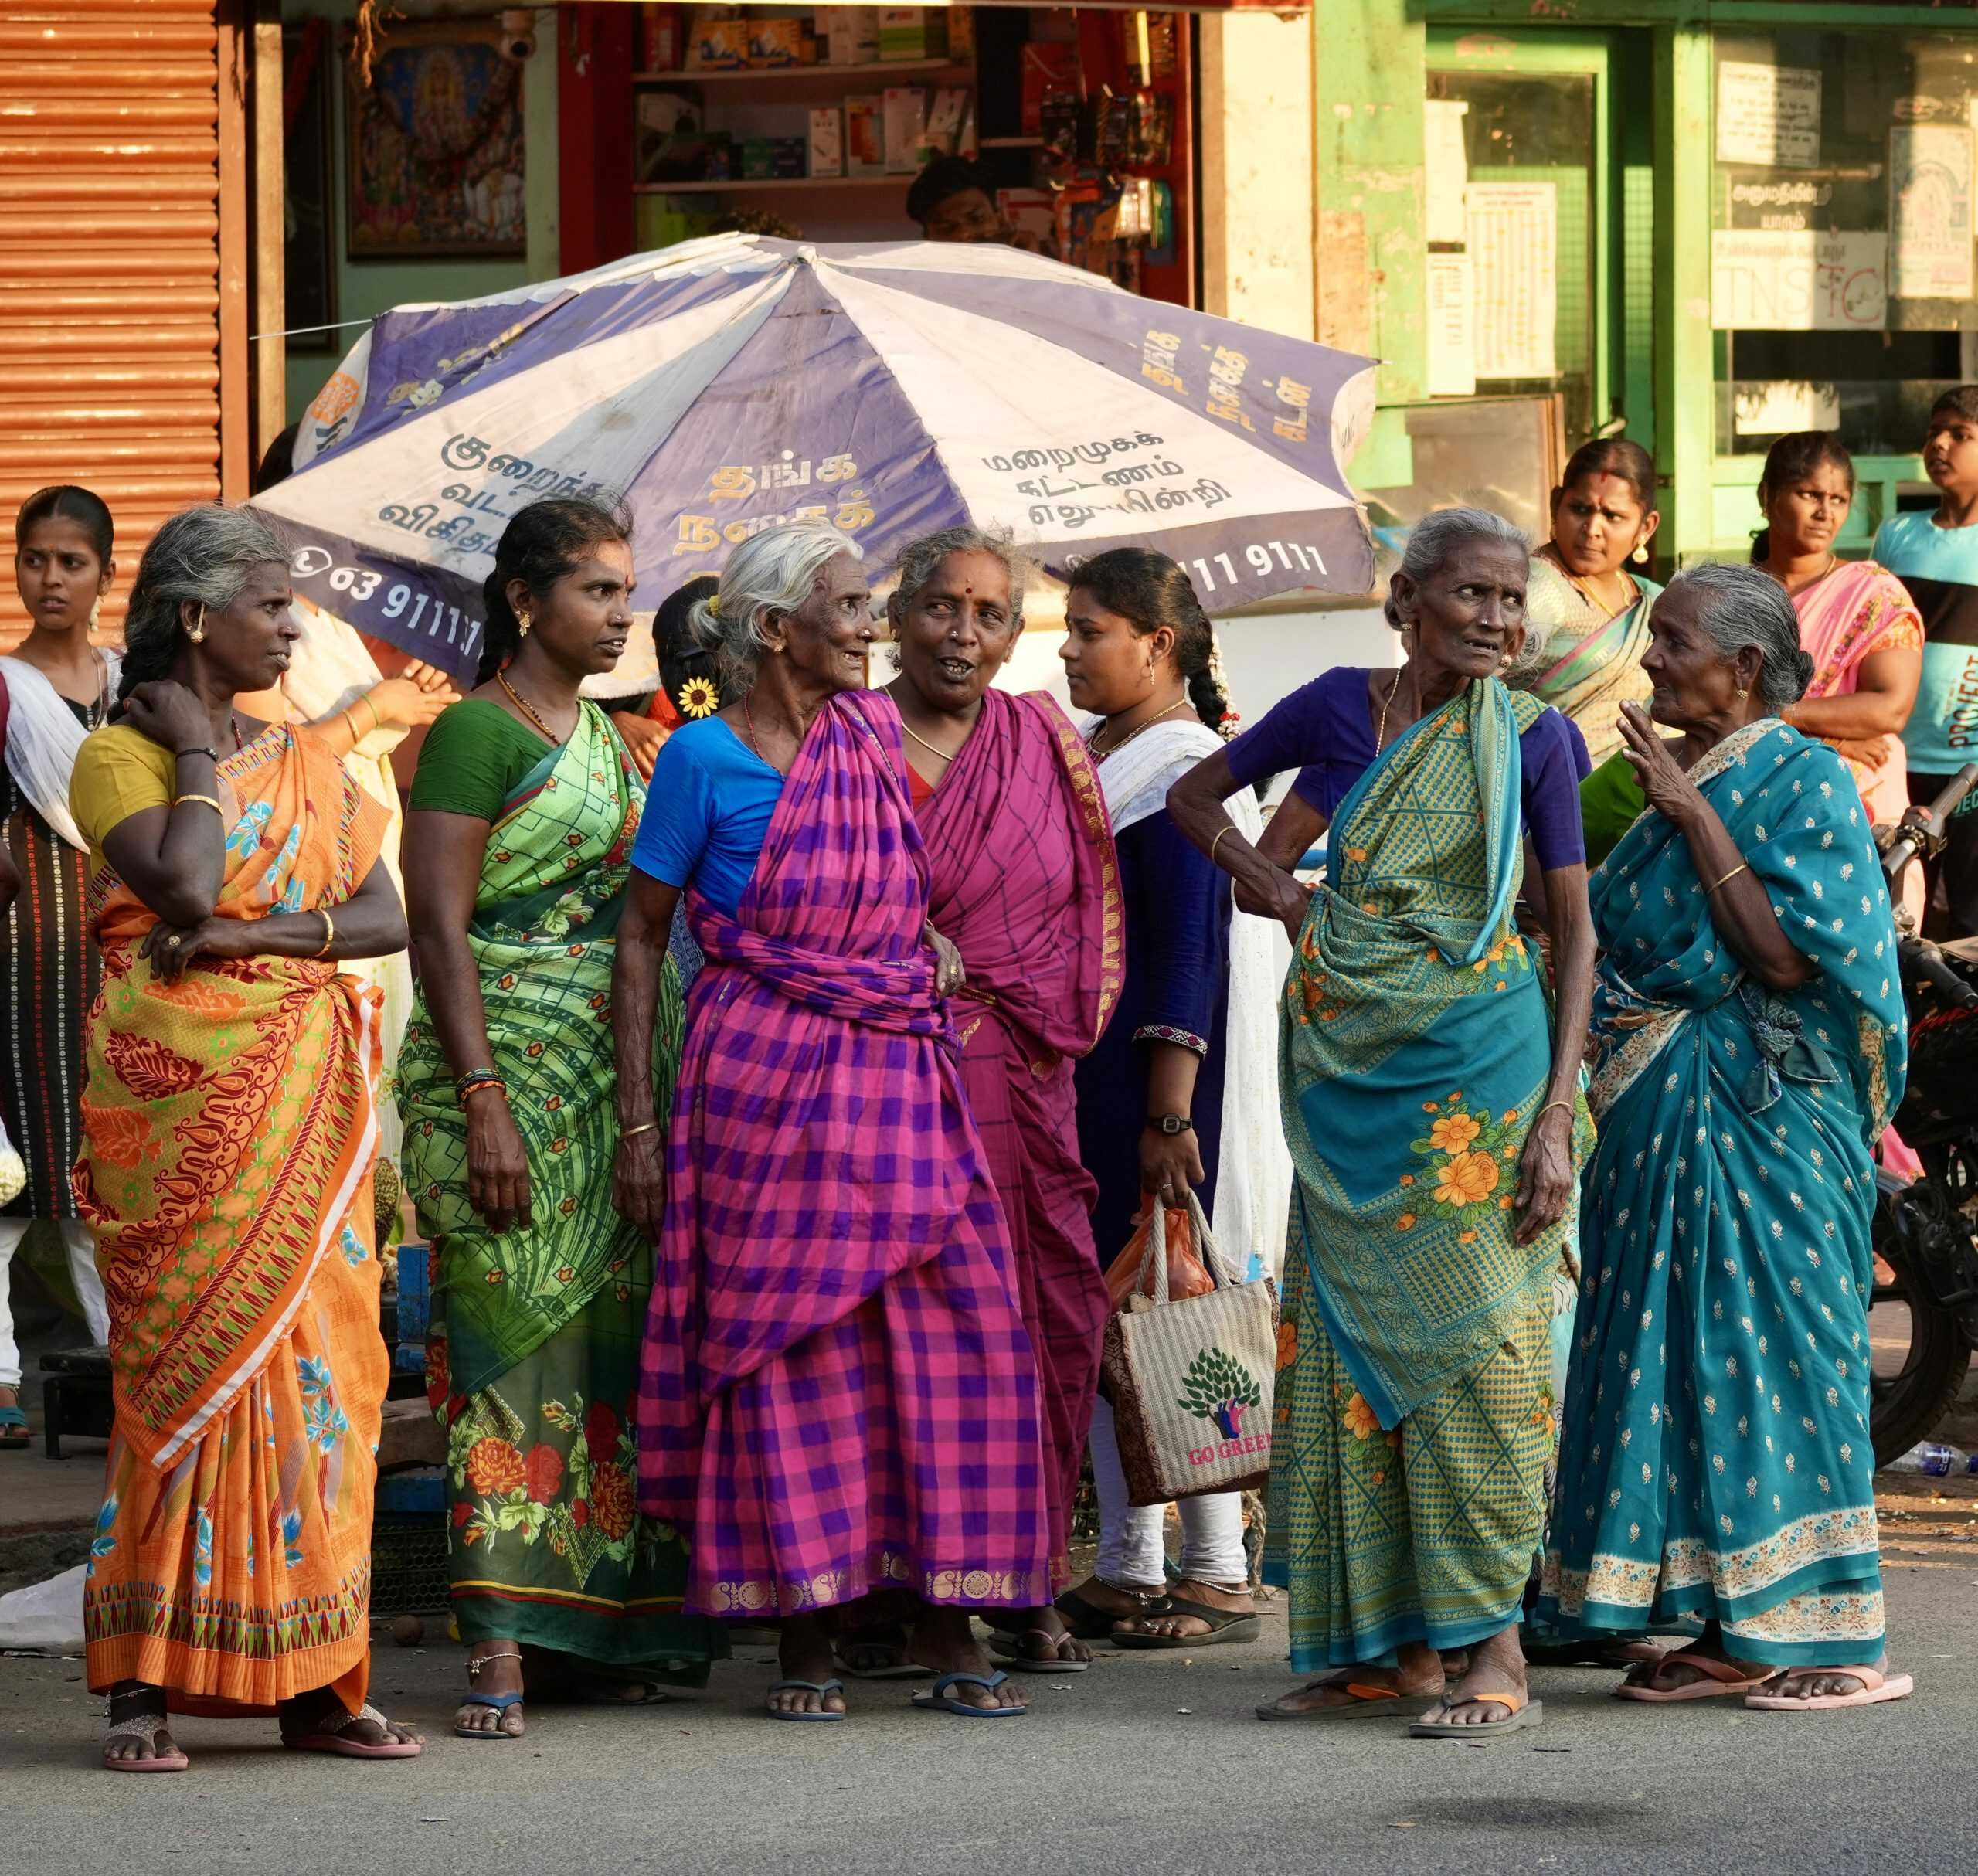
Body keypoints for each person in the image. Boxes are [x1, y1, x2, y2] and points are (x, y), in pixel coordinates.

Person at [1169, 507, 1596, 1737]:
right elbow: (1200, 799)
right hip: (1349, 1082)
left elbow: (1573, 935)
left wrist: (1559, 1114)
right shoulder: (1333, 711)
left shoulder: (1537, 740)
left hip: (1489, 1080)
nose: (1501, 622)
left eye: (1515, 601)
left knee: (1483, 1362)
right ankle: (1390, 1654)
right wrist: (1280, 895)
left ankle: (1494, 1649)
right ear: (1405, 598)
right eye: (1474, 596)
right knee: (1353, 1360)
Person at [615, 522, 1049, 1721]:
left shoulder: (868, 737)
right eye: (851, 607)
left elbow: (887, 887)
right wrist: (638, 1125)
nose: (873, 627)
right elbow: (645, 934)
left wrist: (918, 940)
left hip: (896, 1070)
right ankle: (802, 1635)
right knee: (789, 1350)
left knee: (940, 1332)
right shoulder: (700, 758)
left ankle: (947, 1613)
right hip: (760, 1079)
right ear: (774, 629)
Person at [69, 504, 420, 1769]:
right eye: (275, 604)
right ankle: (141, 1686)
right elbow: (183, 885)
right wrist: (200, 762)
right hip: (179, 1107)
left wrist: (260, 941)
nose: (295, 624)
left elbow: (378, 908)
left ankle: (319, 1680)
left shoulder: (310, 754)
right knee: (178, 1378)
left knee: (327, 1371)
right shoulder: (121, 753)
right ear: (200, 615)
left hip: (307, 1100)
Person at [1539, 563, 1913, 1714]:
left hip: (1768, 1116)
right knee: (1678, 1365)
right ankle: (1720, 1621)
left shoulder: (1799, 778)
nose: (1651, 661)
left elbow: (1794, 960)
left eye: (1675, 642)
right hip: (1658, 1119)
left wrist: (1697, 819)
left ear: (1745, 667)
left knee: (1774, 1358)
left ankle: (1832, 1633)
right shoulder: (1658, 777)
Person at [397, 497, 723, 1739]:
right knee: (500, 1343)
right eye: (596, 589)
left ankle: (602, 1629)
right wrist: (483, 1099)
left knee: (609, 1346)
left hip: (613, 1078)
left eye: (627, 590)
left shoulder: (615, 738)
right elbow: (439, 930)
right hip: (500, 1074)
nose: (621, 612)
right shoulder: (474, 736)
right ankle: (499, 1645)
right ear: (527, 599)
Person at [873, 525, 1119, 1675]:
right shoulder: (852, 736)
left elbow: (1082, 905)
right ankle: (908, 1585)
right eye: (941, 607)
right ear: (898, 614)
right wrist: (895, 938)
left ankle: (1023, 1578)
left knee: (1043, 1322)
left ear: (1016, 633)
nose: (962, 634)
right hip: (885, 1082)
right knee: (914, 1340)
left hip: (1024, 1075)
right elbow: (803, 891)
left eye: (988, 614)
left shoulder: (1042, 740)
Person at [1052, 545, 1287, 1653]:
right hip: (1102, 1071)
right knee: (1120, 1312)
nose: (1066, 648)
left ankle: (1216, 1568)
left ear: (1156, 643)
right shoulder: (1111, 756)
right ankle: (1128, 1563)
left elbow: (1190, 950)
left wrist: (1168, 1117)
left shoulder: (1189, 765)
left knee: (1188, 1311)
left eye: (1089, 629)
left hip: (1165, 1078)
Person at [0, 488, 119, 1447]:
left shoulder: (135, 685)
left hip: (126, 942)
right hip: (26, 950)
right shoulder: (5, 690)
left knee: (120, 1147)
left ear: (105, 575)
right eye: (34, 559)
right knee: (30, 1152)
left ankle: (137, 1355)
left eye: (70, 562)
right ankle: (15, 1373)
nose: (50, 578)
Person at [1873, 386, 1978, 935]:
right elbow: (1871, 633)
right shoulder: (1898, 535)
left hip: (1971, 767)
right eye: (1934, 431)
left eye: (1960, 435)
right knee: (1898, 909)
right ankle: (1910, 1023)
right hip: (1897, 759)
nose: (1939, 443)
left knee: (1969, 916)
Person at [1509, 437, 1663, 768]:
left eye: (1613, 516)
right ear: (1556, 505)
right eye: (1580, 509)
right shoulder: (1539, 587)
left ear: (1646, 527)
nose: (1592, 529)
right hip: (1553, 791)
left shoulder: (1650, 599)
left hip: (1641, 792)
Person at [906, 155, 1018, 245]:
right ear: (928, 239)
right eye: (946, 229)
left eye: (977, 219)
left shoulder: (1029, 261)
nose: (964, 234)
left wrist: (1029, 263)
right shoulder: (910, 273)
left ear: (1000, 219)